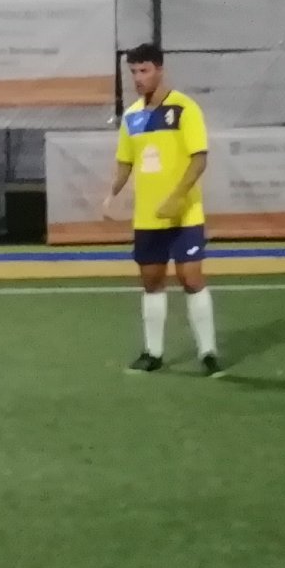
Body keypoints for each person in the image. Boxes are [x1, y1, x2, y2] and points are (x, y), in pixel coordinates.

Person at [99, 42, 220, 375]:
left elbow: (199, 158)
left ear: (160, 70)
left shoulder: (184, 108)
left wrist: (178, 196)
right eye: (133, 72)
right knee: (151, 281)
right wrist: (112, 194)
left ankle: (208, 352)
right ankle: (153, 353)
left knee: (190, 277)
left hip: (184, 213)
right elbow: (125, 161)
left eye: (144, 70)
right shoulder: (132, 116)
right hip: (148, 217)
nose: (138, 78)